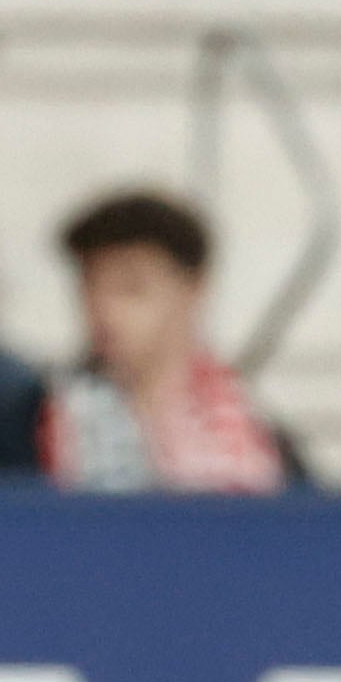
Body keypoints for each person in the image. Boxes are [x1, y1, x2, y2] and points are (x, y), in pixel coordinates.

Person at [42, 190, 296, 494]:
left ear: (194, 288)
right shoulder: (39, 419)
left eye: (130, 287)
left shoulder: (260, 442)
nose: (103, 309)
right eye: (89, 286)